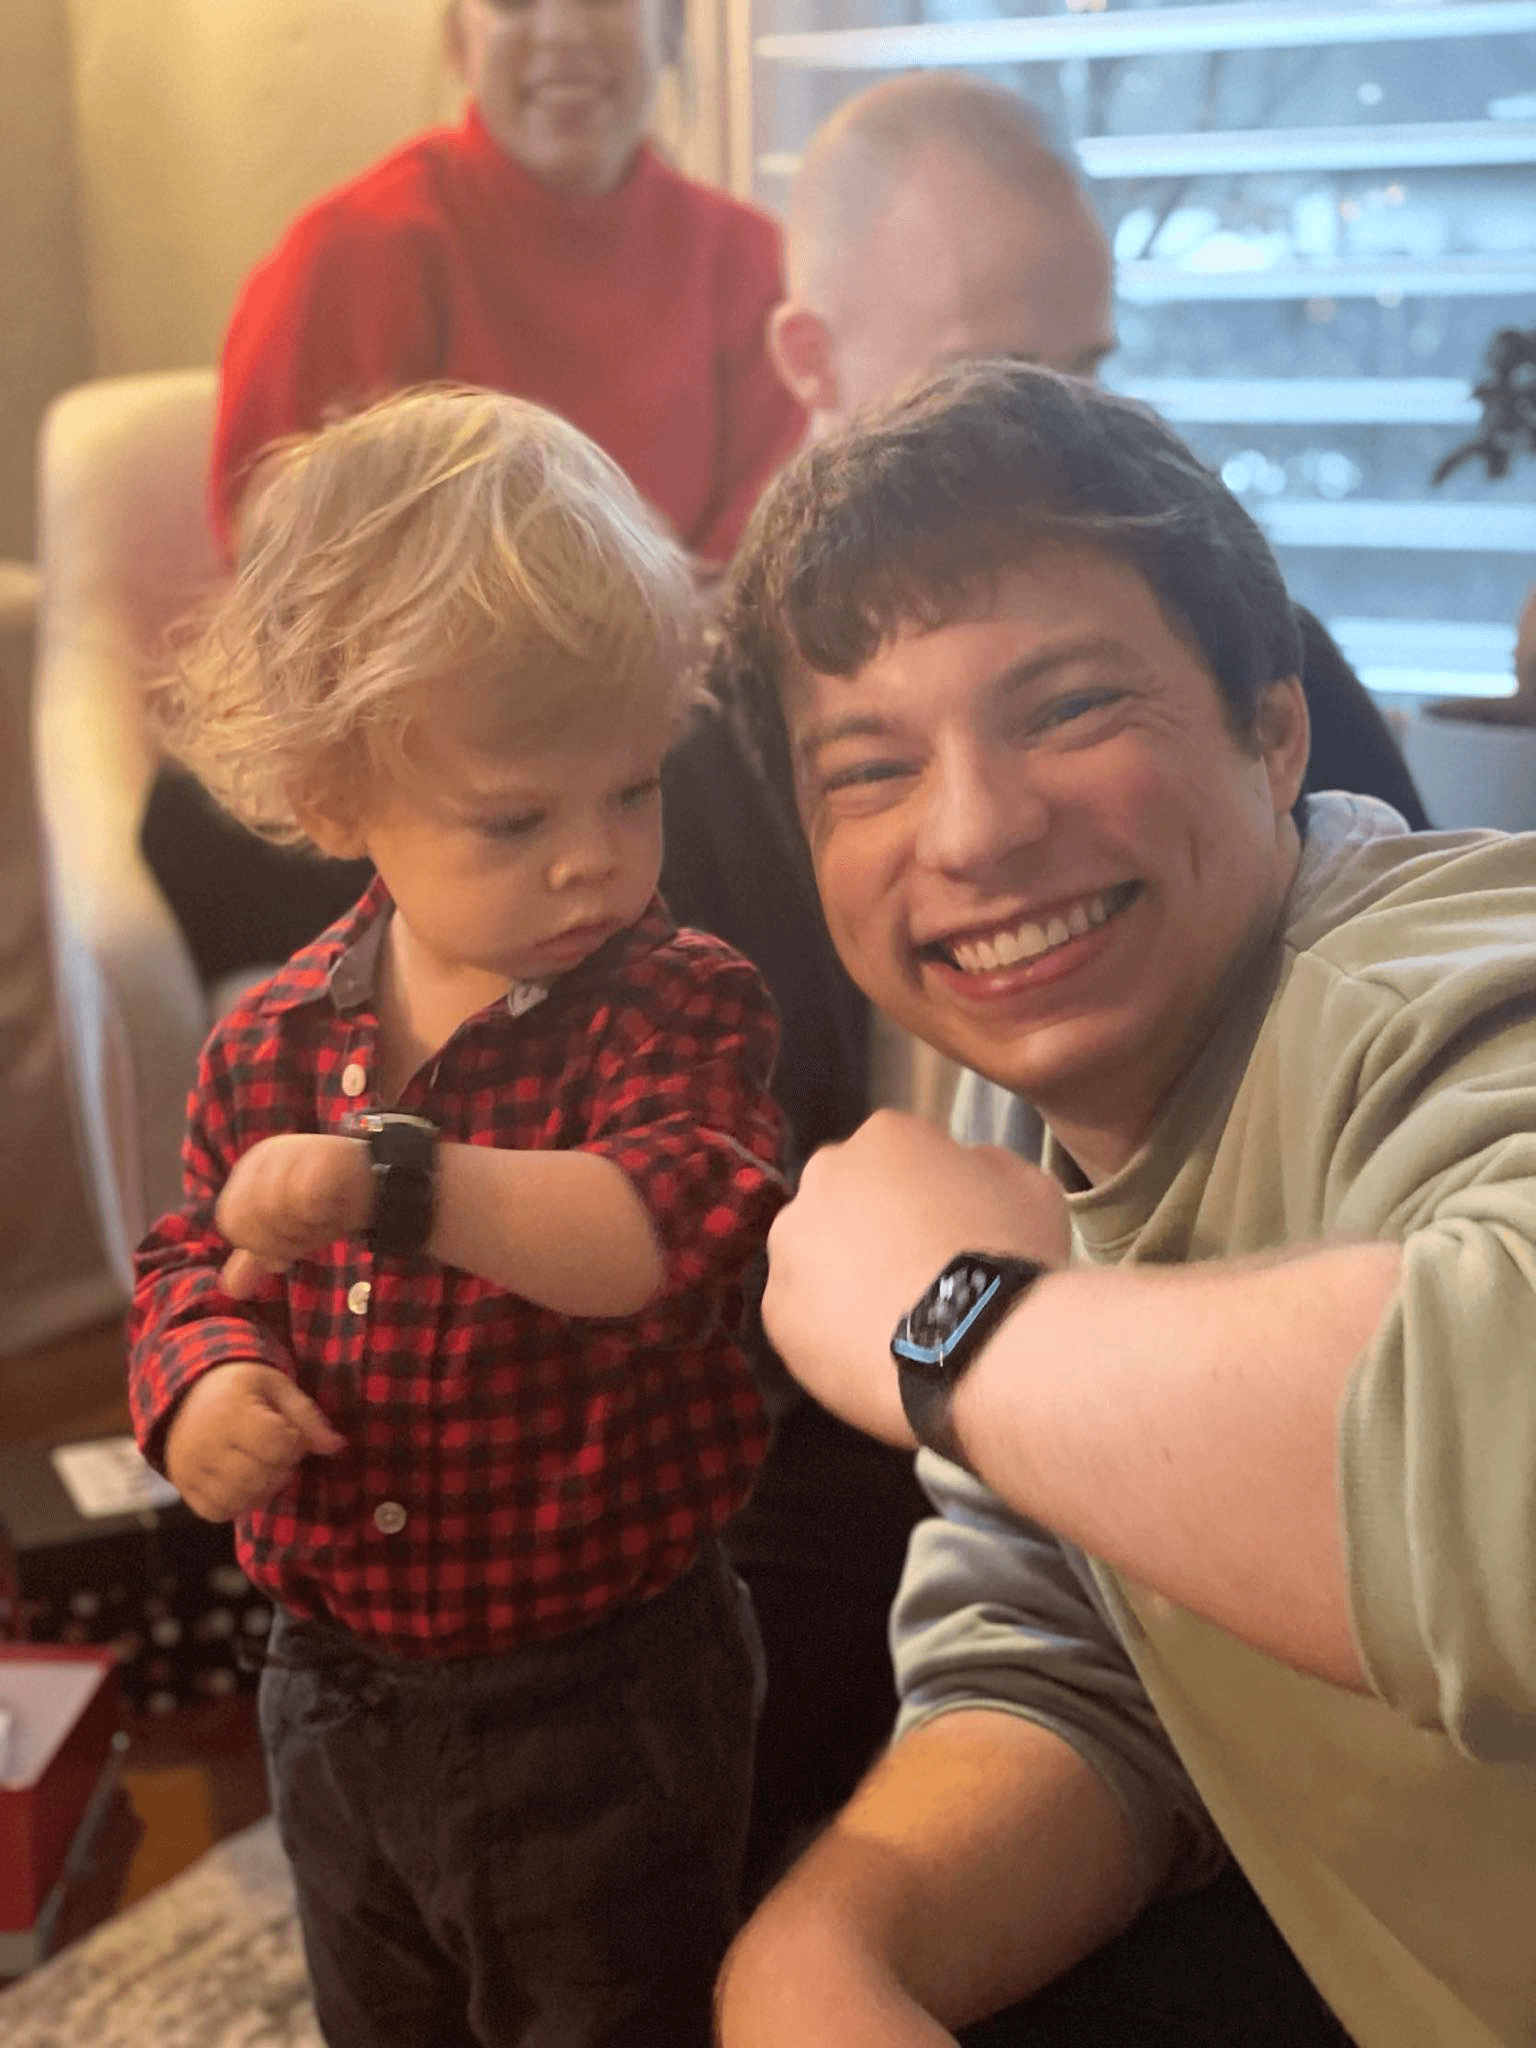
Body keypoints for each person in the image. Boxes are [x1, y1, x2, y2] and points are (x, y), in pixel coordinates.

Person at [709, 358, 1536, 2047]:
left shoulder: (1441, 977)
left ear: (1274, 726)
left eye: (1071, 707)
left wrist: (950, 1325)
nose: (976, 829)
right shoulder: (1028, 1094)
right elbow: (1076, 1646)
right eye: (867, 771)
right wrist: (827, 1958)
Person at [127, 388, 787, 2048]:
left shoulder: (679, 1007)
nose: (596, 864)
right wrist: (200, 1381)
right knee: (380, 2005)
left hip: (605, 1687)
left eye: (631, 794)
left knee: (608, 2011)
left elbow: (654, 1233)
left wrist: (399, 1178)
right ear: (340, 797)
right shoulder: (273, 1038)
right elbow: (191, 1260)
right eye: (519, 818)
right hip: (330, 1680)